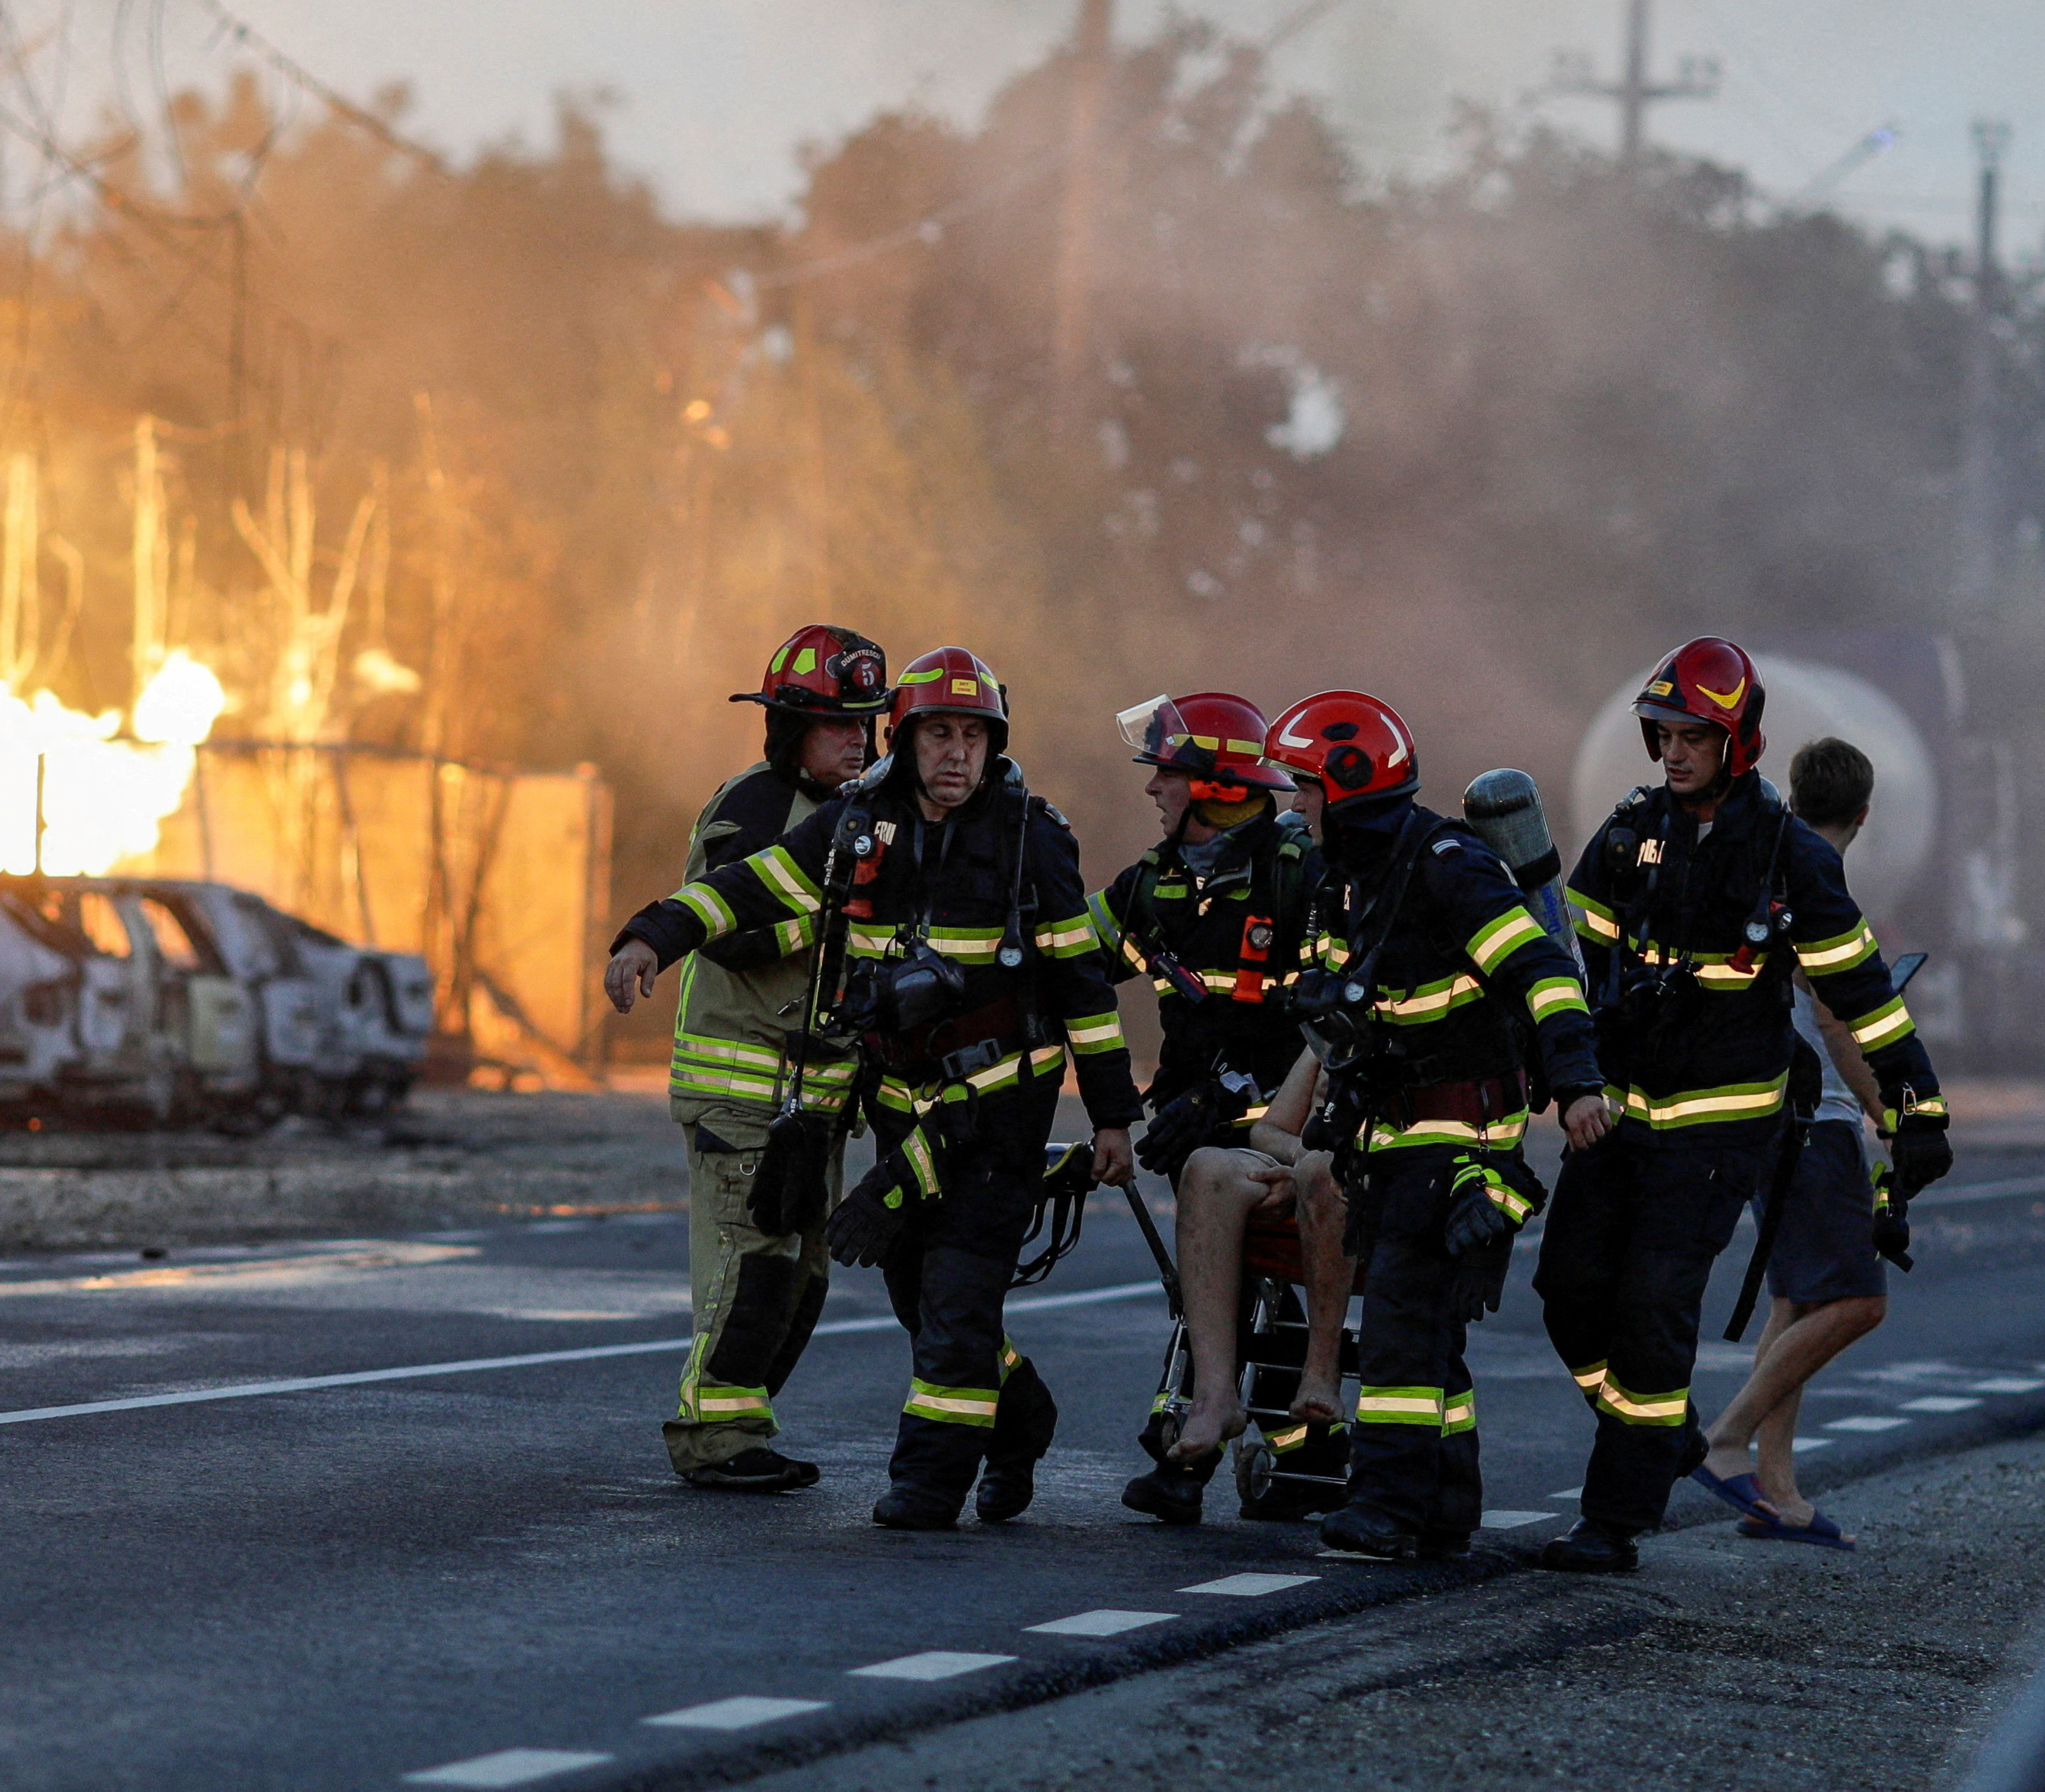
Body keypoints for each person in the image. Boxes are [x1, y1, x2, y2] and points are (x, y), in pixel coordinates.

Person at [605, 645, 1141, 1532]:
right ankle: (1021, 1419)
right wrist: (650, 938)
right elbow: (752, 886)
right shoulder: (860, 824)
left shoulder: (1031, 837)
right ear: (908, 738)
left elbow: (1083, 984)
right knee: (917, 1295)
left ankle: (929, 1484)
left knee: (962, 1292)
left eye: (974, 736)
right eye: (938, 735)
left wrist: (1115, 1115)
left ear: (995, 744)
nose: (956, 754)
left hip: (1003, 1105)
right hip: (903, 1108)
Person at [1538, 638, 1951, 1576]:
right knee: (1569, 1295)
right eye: (1665, 735)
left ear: (1740, 741)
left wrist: (1920, 1109)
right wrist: (1566, 1076)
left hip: (1718, 1132)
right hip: (1616, 1119)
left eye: (1695, 736)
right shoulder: (1628, 832)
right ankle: (1664, 1435)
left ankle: (1613, 1522)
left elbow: (1863, 994)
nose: (1675, 752)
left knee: (1653, 1308)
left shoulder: (1791, 857)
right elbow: (1568, 967)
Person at [1241, 689, 1608, 1561]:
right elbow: (1348, 1019)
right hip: (1392, 1134)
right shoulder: (1349, 883)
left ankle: (1389, 1507)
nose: (1294, 808)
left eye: (1304, 790)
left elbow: (1541, 972)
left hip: (1461, 1138)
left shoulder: (1447, 864)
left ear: (1352, 786)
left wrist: (1579, 1080)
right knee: (1431, 1326)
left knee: (1405, 1316)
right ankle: (1446, 1501)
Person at [1080, 692, 1347, 1525]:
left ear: (1212, 784)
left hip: (1293, 1123)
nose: (1151, 788)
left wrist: (1235, 1090)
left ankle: (1201, 1443)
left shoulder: (1298, 870)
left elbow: (1340, 1012)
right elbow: (1067, 960)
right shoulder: (1154, 883)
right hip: (1194, 1125)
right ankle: (1296, 1450)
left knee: (1254, 1270)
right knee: (1235, 1271)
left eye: (1165, 772)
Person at [646, 624, 893, 1494]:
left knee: (799, 1280)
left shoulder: (866, 818)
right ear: (788, 728)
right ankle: (713, 1438)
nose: (857, 740)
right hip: (741, 1090)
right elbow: (734, 935)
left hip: (816, 1100)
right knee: (751, 1269)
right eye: (836, 724)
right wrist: (837, 919)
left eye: (866, 724)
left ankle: (740, 1422)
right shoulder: (751, 807)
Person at [1694, 735, 1895, 1548]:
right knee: (1859, 1300)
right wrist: (1888, 1110)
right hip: (1813, 1117)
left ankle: (1777, 1494)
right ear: (1865, 814)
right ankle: (1727, 1438)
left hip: (1757, 1105)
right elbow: (1833, 1017)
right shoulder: (1819, 877)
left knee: (1799, 1298)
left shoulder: (1771, 861)